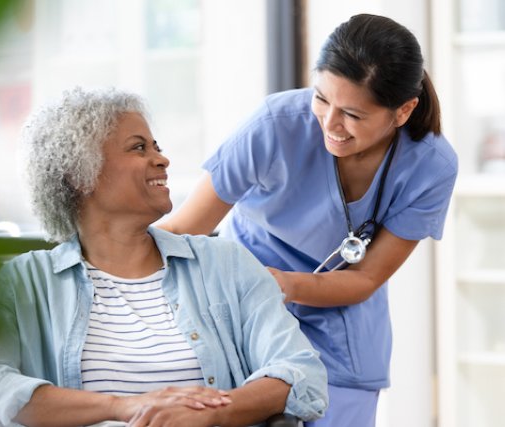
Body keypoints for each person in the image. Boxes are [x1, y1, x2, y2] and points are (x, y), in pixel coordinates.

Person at [159, 14, 458, 427]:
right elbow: (182, 228)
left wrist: (284, 284)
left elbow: (364, 278)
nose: (330, 124)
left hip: (341, 322)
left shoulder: (431, 166)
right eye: (321, 99)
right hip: (245, 308)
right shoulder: (275, 124)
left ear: (404, 110)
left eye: (352, 114)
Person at [0, 87, 328, 427]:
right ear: (81, 175)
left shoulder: (227, 265)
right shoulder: (22, 284)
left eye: (155, 146)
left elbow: (301, 372)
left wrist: (213, 414)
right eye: (139, 148)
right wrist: (125, 407)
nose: (162, 159)